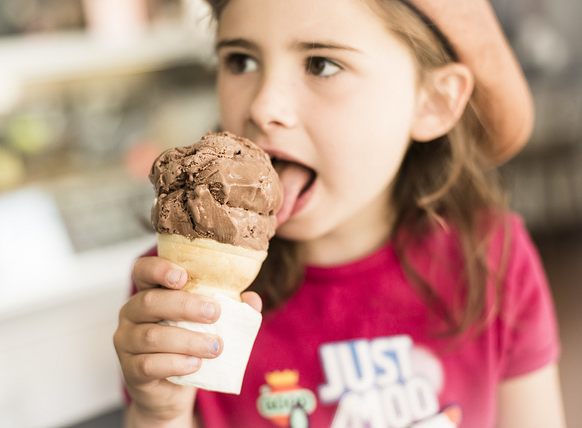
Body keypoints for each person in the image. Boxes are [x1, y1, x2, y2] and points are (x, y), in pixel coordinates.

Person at [113, 0, 567, 427]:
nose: (262, 106)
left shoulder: (493, 257)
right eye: (240, 61)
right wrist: (161, 414)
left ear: (434, 101)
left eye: (321, 64)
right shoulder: (176, 289)